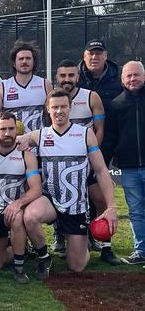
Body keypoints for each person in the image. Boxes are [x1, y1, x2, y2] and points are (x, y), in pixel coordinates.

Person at [21, 89, 119, 276]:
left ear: (70, 108)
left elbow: (101, 171)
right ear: (48, 110)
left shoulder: (85, 134)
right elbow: (8, 140)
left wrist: (111, 206)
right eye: (55, 107)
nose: (59, 111)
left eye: (63, 107)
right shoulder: (40, 135)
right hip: (49, 198)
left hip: (76, 204)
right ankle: (43, 256)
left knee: (77, 266)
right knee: (30, 216)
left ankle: (81, 245)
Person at [53, 59, 120, 265]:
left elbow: (99, 129)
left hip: (87, 160)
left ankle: (106, 246)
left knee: (100, 199)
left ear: (78, 77)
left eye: (71, 75)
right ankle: (60, 236)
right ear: (57, 78)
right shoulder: (53, 100)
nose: (67, 80)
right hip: (63, 164)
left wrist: (91, 155)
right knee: (57, 196)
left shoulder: (91, 96)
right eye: (63, 76)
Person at [0, 112, 42, 283]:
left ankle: (19, 267)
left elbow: (36, 189)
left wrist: (18, 203)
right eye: (3, 129)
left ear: (16, 131)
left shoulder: (26, 155)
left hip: (12, 211)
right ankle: (20, 246)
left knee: (17, 218)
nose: (7, 133)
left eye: (11, 129)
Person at [102, 61, 145, 266]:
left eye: (136, 75)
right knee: (136, 210)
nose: (132, 79)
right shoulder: (116, 104)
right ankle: (141, 251)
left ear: (143, 76)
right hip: (128, 168)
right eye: (128, 76)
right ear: (122, 79)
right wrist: (102, 165)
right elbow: (110, 138)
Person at [0, 41, 53, 134]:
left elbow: (51, 114)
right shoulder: (2, 87)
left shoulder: (45, 84)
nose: (24, 61)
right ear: (14, 63)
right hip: (12, 145)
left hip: (37, 143)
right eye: (21, 59)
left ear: (34, 62)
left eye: (28, 58)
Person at [77, 39, 122, 113]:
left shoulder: (118, 81)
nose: (94, 57)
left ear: (105, 56)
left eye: (98, 53)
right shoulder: (75, 80)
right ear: (84, 57)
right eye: (91, 54)